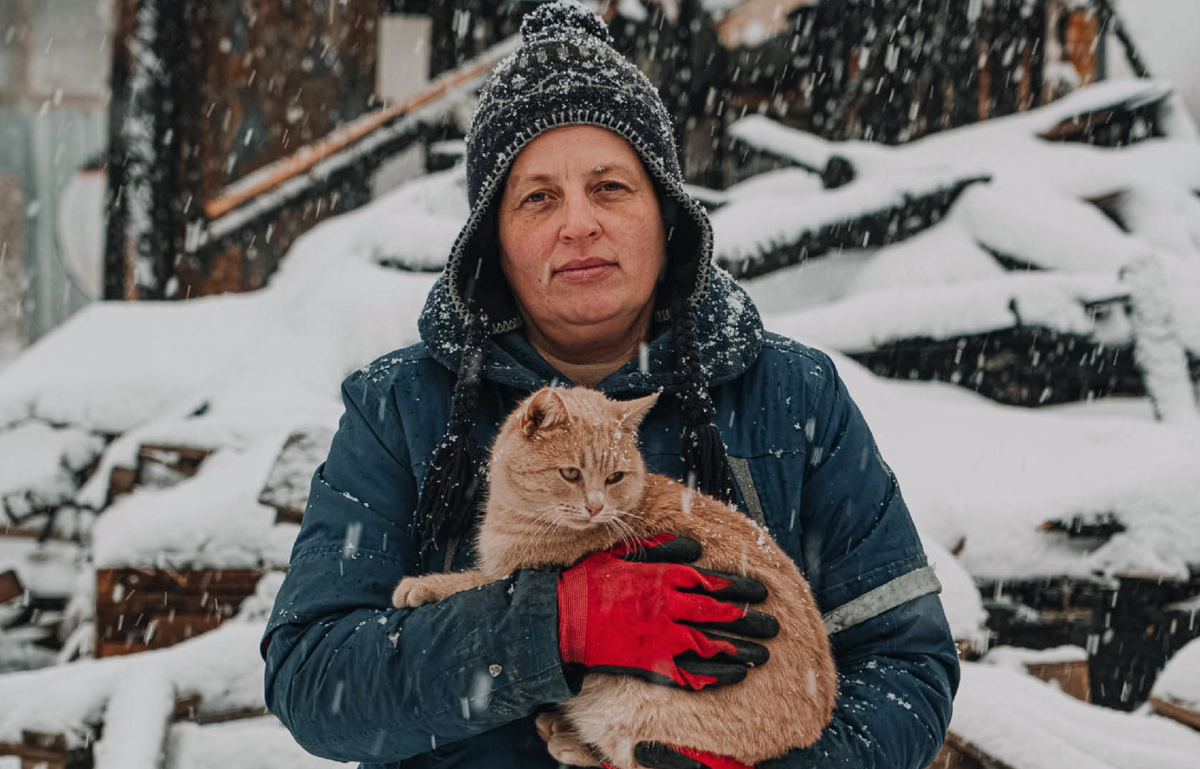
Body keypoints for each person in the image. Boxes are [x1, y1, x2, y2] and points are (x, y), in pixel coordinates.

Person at [261, 2, 960, 767]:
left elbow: (905, 662)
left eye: (611, 187)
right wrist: (545, 625)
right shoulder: (400, 406)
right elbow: (314, 679)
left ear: (665, 213)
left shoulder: (791, 394)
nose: (579, 224)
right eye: (537, 197)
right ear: (492, 239)